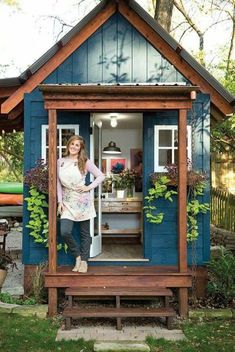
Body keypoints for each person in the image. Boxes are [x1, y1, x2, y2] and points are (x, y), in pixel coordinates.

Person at [57, 135, 105, 273]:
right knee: (65, 231)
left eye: (77, 145)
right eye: (72, 144)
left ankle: (84, 261)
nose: (74, 147)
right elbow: (58, 184)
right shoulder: (60, 162)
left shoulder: (84, 161)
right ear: (68, 145)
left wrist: (88, 187)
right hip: (67, 200)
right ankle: (77, 256)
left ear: (80, 148)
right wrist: (60, 201)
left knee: (85, 233)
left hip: (83, 201)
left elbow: (101, 175)